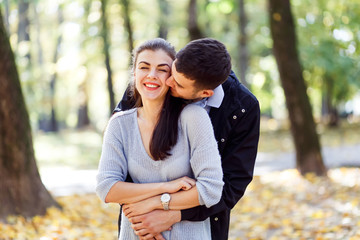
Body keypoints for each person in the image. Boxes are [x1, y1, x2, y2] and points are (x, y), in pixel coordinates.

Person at [114, 38, 261, 240]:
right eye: (171, 71)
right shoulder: (154, 82)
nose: (167, 81)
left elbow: (232, 184)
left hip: (200, 224)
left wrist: (172, 215)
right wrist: (141, 214)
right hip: (140, 223)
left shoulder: (243, 108)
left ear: (205, 93)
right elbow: (122, 156)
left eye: (179, 84)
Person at [96, 38, 224, 240]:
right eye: (144, 67)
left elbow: (211, 189)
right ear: (134, 73)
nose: (152, 75)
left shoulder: (193, 118)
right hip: (136, 234)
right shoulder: (119, 125)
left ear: (172, 76)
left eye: (162, 70)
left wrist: (154, 202)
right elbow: (106, 188)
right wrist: (165, 188)